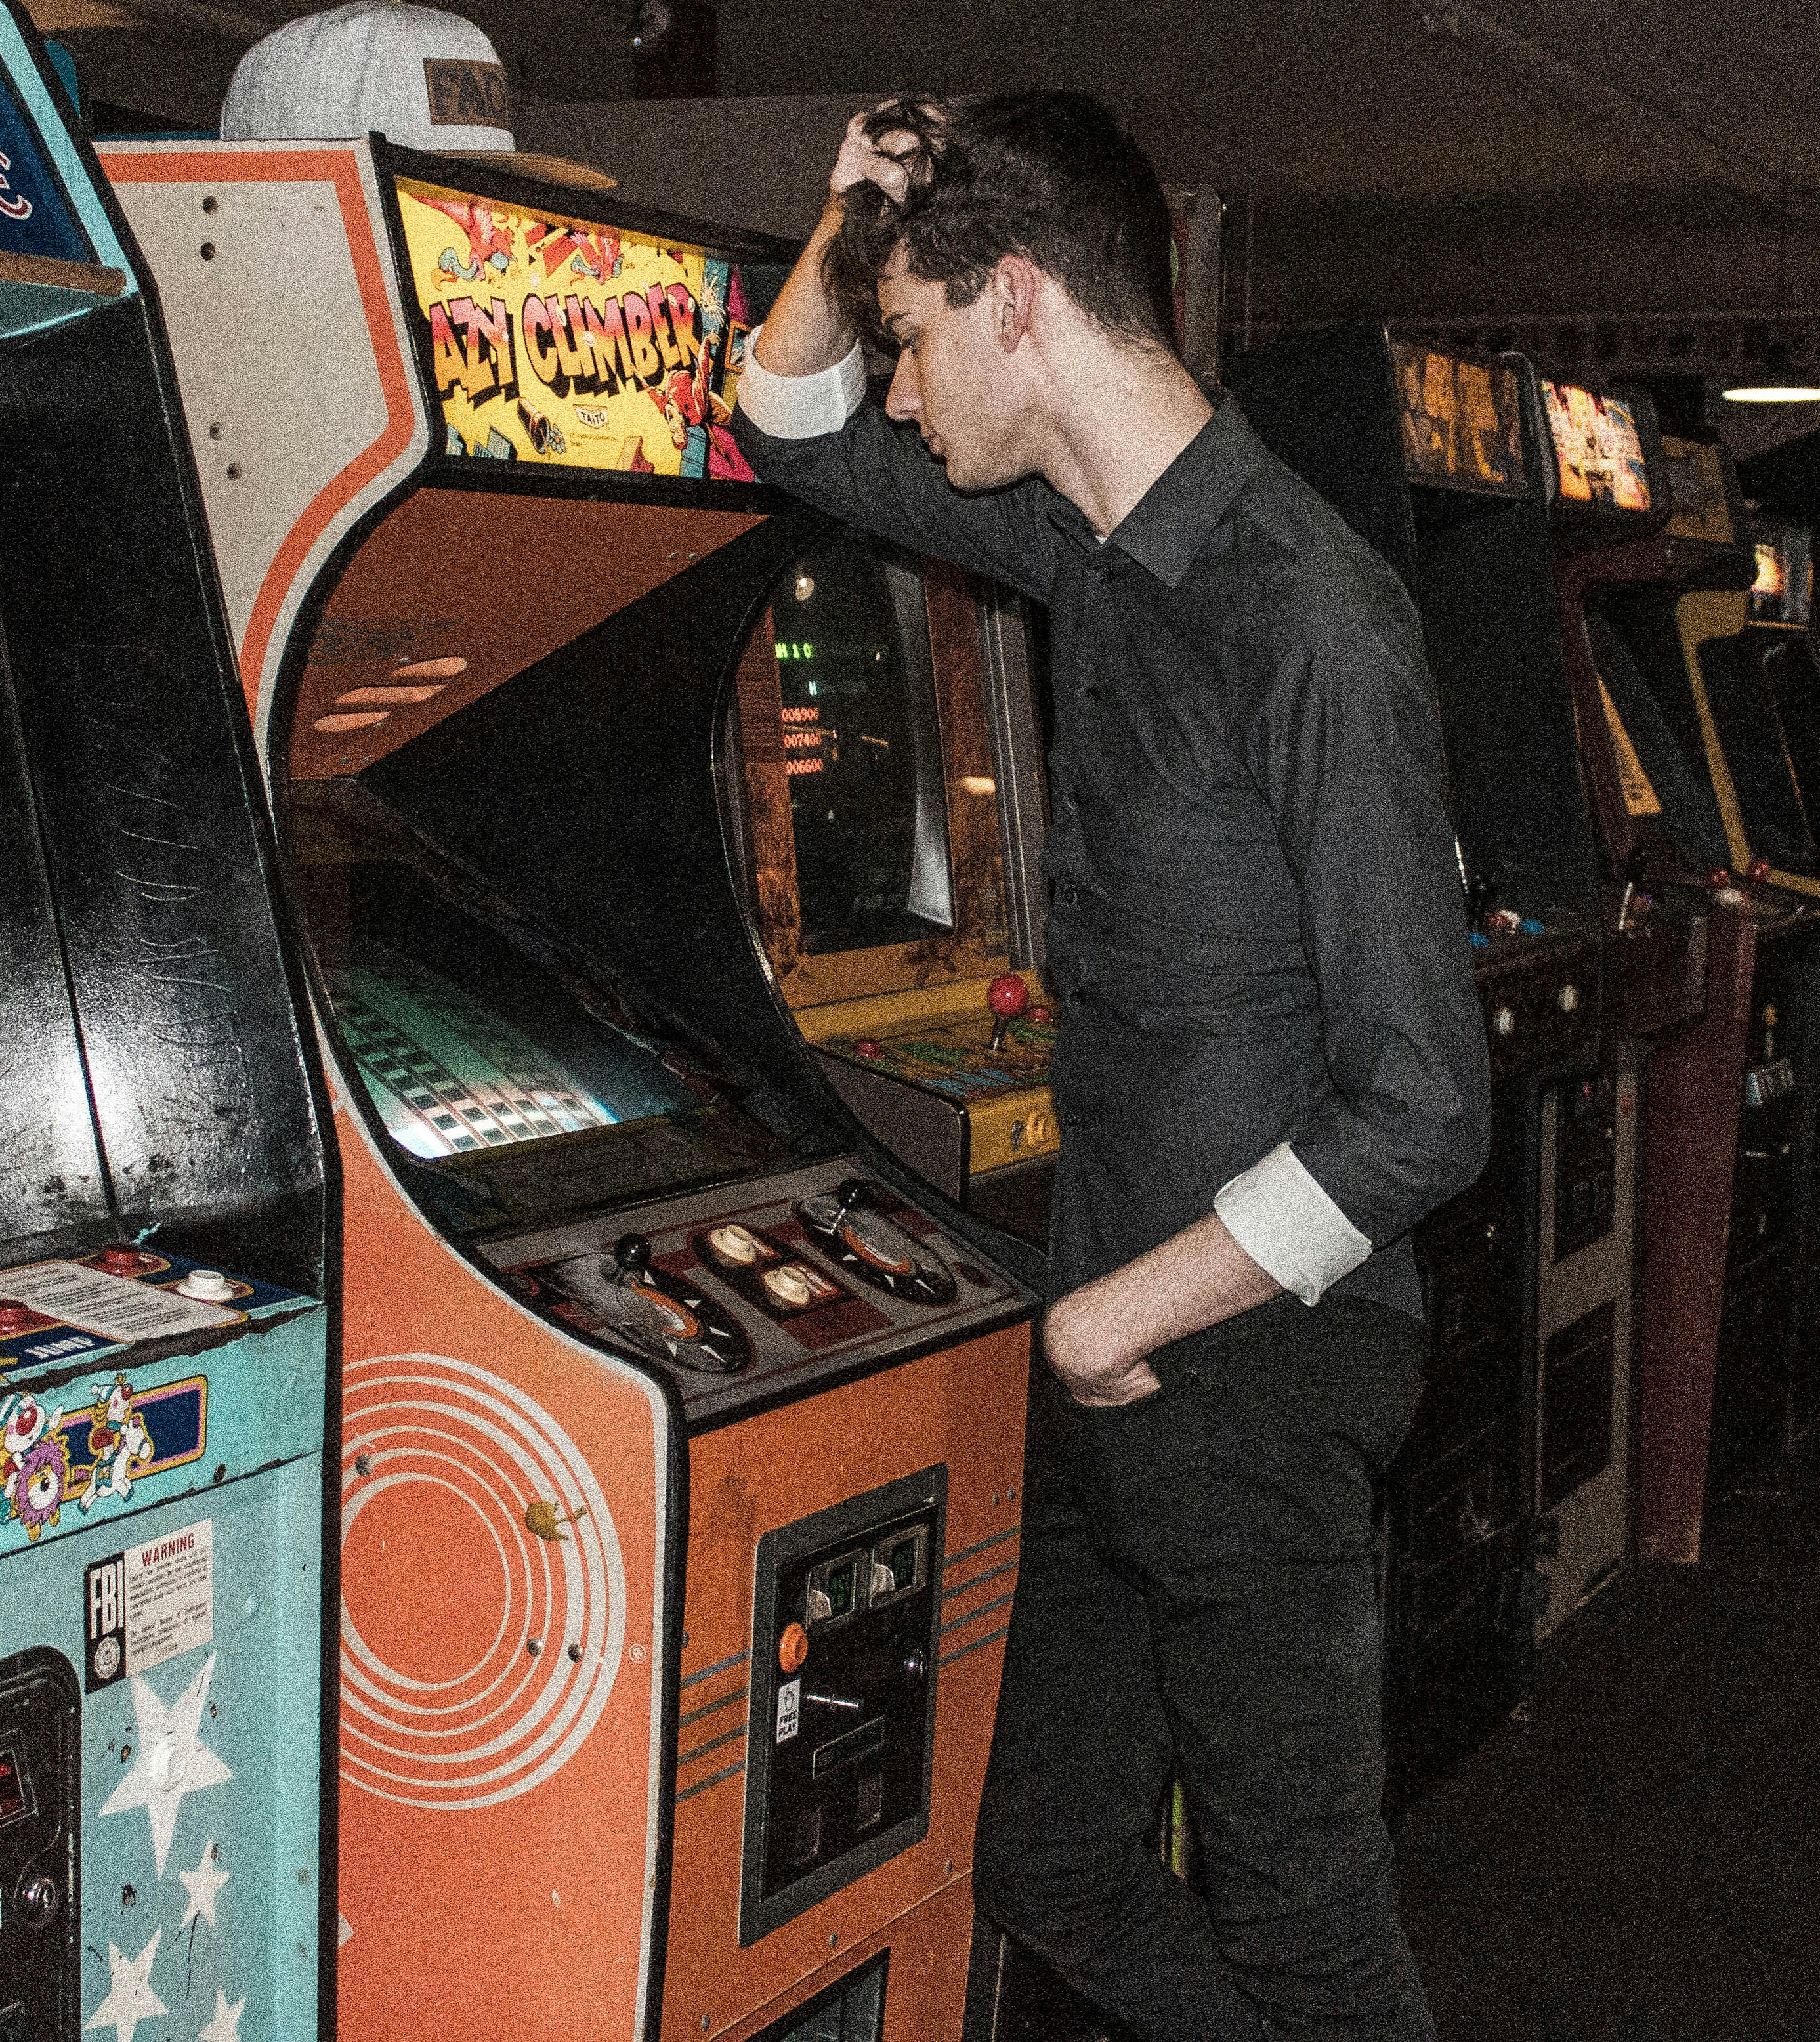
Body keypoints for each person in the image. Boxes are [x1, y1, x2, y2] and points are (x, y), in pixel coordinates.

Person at [734, 93, 1489, 2042]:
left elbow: (1427, 1104)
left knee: (1314, 1942)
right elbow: (785, 421)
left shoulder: (1310, 613)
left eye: (914, 335)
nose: (902, 391)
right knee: (1053, 1863)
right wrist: (849, 213)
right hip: (1126, 1353)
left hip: (1251, 1366)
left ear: (1014, 301)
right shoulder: (1087, 550)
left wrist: (1107, 1320)